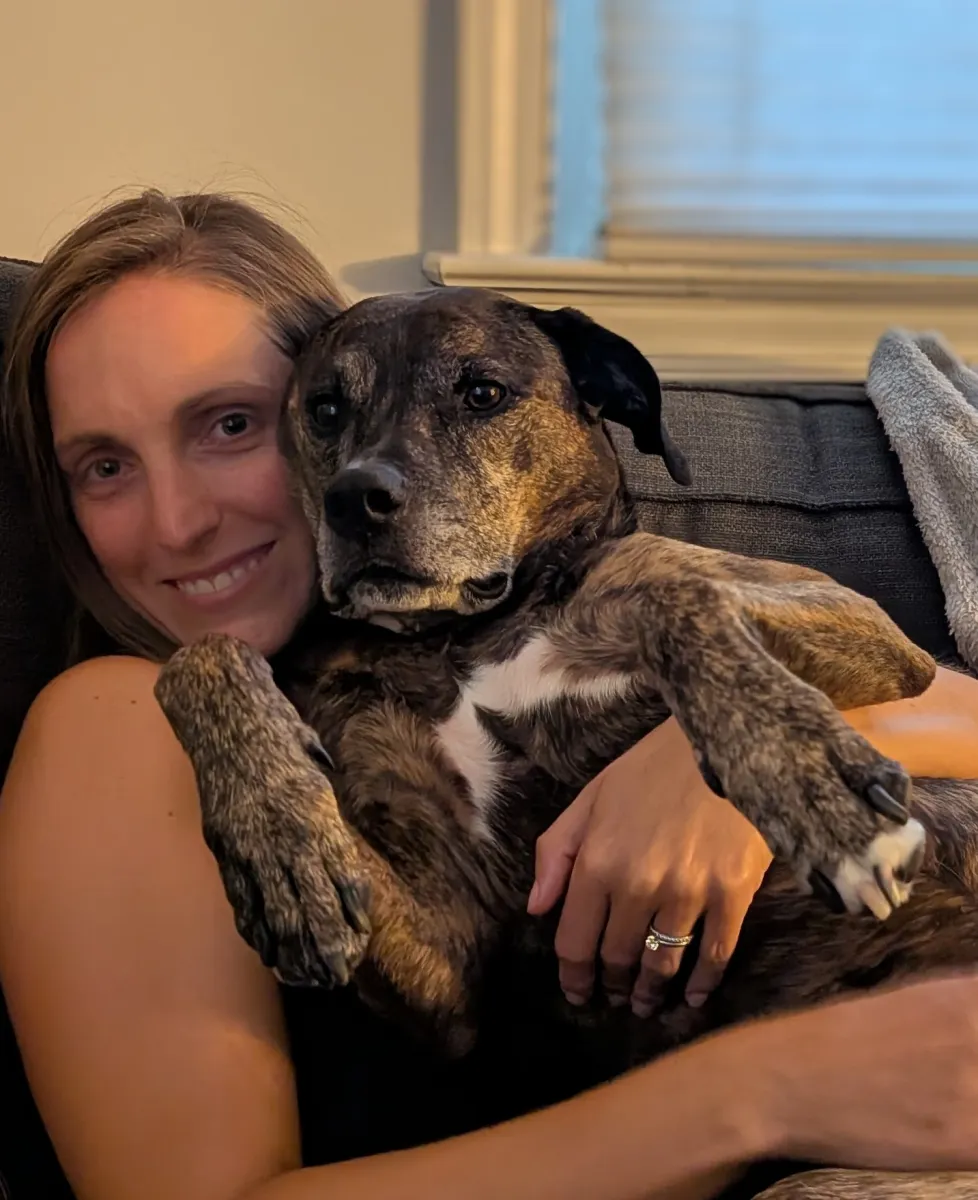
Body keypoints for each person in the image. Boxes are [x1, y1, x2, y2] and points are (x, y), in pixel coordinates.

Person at [1, 190, 978, 1200]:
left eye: (230, 424)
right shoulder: (128, 720)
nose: (179, 521)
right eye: (104, 465)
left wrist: (707, 767)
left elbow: (938, 699)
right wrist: (775, 1090)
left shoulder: (574, 595)